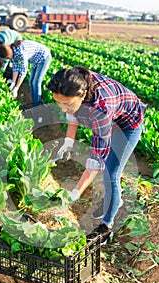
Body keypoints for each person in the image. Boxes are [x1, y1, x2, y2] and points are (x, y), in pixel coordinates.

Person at [47, 66, 147, 244]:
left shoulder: (101, 108)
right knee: (109, 171)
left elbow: (96, 158)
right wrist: (68, 142)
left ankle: (106, 227)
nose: (62, 108)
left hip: (127, 124)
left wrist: (77, 191)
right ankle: (114, 200)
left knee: (111, 173)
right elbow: (72, 113)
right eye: (58, 102)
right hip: (111, 116)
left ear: (83, 94)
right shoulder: (75, 83)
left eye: (67, 103)